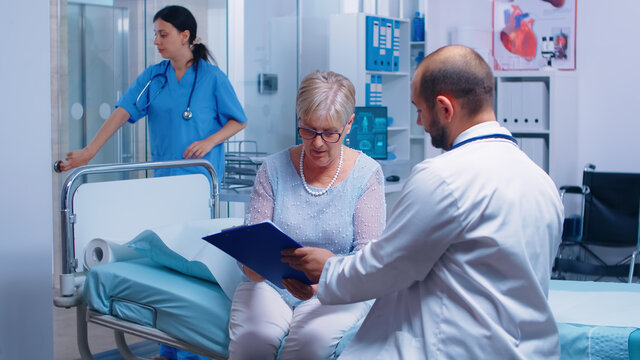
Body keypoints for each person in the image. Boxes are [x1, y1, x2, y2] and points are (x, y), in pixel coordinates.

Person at [282, 45, 563, 359]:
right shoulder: (542, 182)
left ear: (444, 107)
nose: (419, 122)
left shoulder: (442, 177)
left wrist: (327, 269)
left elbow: (387, 267)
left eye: (419, 110)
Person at [227, 71, 386, 360]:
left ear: (349, 124)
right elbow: (252, 250)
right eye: (309, 130)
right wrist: (252, 265)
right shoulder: (272, 170)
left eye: (330, 133)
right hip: (271, 286)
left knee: (309, 342)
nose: (318, 143)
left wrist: (319, 282)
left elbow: (368, 258)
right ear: (298, 120)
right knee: (253, 340)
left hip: (337, 287)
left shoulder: (366, 176)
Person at [58, 5, 247, 185]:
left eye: (163, 35)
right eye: (155, 35)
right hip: (163, 176)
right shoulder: (154, 76)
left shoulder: (212, 77)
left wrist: (209, 142)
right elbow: (122, 112)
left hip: (201, 177)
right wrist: (90, 151)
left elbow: (238, 121)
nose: (156, 41)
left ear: (185, 36)